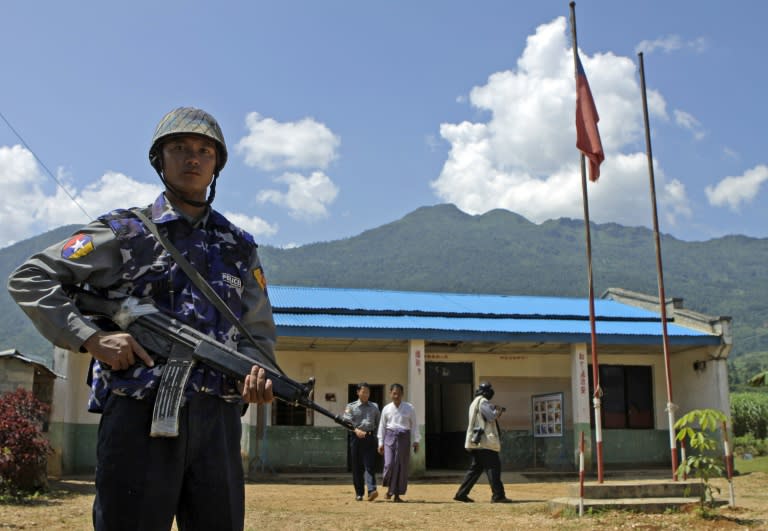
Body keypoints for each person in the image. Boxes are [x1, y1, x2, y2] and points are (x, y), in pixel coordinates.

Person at [7, 107, 276, 531]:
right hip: (137, 413)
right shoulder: (125, 232)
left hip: (217, 422)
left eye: (205, 151)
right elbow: (30, 277)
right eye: (180, 148)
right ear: (160, 160)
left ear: (216, 165)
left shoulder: (239, 246)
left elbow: (257, 331)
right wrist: (91, 338)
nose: (193, 158)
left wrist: (258, 373)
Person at [454, 382, 513, 503]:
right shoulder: (482, 402)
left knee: (475, 470)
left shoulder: (474, 402)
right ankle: (498, 495)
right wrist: (498, 411)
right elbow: (491, 417)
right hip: (485, 442)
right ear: (485, 392)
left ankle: (461, 494)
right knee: (493, 468)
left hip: (477, 442)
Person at [377, 383, 419, 502]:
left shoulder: (409, 408)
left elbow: (415, 425)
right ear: (390, 393)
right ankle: (389, 488)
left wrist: (416, 440)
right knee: (389, 464)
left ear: (402, 394)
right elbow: (382, 426)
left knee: (401, 466)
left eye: (399, 394)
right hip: (389, 437)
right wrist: (380, 442)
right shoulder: (386, 408)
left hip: (404, 437)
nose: (396, 396)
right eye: (394, 393)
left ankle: (396, 494)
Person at [341, 382, 381, 501]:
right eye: (363, 391)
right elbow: (346, 422)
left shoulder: (374, 406)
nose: (366, 394)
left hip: (369, 438)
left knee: (369, 465)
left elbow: (379, 423)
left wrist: (379, 440)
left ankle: (371, 490)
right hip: (356, 438)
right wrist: (356, 430)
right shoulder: (351, 406)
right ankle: (359, 493)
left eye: (368, 392)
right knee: (357, 467)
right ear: (358, 392)